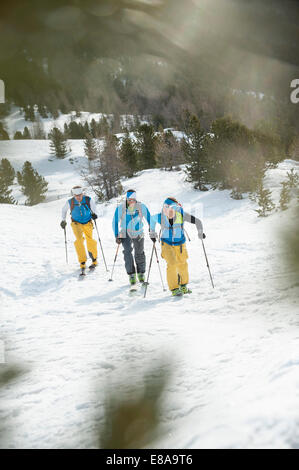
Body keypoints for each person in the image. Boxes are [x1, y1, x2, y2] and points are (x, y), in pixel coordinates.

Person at [151, 197, 205, 296]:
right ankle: (174, 289)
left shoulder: (182, 215)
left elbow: (197, 221)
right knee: (172, 263)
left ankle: (183, 286)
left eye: (171, 208)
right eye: (166, 208)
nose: (169, 211)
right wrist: (152, 233)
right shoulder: (160, 217)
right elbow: (152, 220)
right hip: (166, 243)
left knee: (182, 264)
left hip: (180, 243)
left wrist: (200, 233)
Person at [112, 189, 155, 286]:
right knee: (127, 252)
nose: (130, 201)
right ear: (126, 199)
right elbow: (114, 221)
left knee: (139, 252)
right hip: (124, 232)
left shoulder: (141, 207)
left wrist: (152, 230)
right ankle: (131, 274)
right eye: (129, 199)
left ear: (135, 199)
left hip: (138, 232)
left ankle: (141, 273)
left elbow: (150, 219)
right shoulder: (121, 208)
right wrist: (116, 235)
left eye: (132, 199)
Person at [60, 186, 98, 272]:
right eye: (76, 195)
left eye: (80, 195)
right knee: (79, 241)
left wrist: (94, 214)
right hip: (76, 223)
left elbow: (94, 208)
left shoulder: (88, 199)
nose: (78, 197)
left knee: (90, 240)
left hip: (87, 222)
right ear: (74, 195)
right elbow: (64, 210)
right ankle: (82, 261)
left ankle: (94, 260)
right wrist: (63, 220)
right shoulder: (70, 202)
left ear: (82, 194)